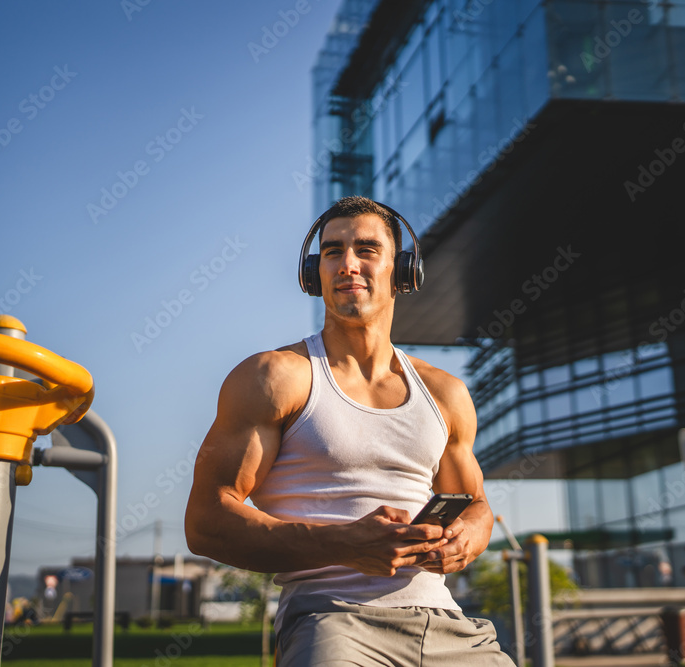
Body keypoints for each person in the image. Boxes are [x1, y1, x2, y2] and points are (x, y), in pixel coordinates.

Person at [185, 196, 515, 666]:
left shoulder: (446, 394)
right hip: (332, 622)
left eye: (366, 249)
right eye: (333, 252)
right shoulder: (274, 377)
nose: (347, 264)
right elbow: (205, 523)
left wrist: (467, 538)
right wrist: (342, 545)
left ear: (404, 272)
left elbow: (476, 505)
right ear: (313, 273)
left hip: (447, 623)